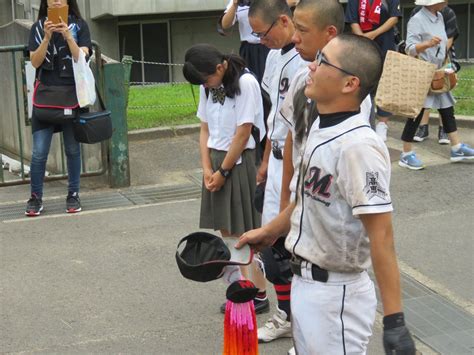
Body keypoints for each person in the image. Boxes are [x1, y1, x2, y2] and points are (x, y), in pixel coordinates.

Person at [236, 33, 417, 354]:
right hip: (305, 286)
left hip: (337, 293)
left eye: (323, 62)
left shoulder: (359, 146)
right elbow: (304, 200)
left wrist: (395, 321)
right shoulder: (320, 127)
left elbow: (382, 235)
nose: (312, 67)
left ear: (350, 84)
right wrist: (270, 231)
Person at [245, 0, 308, 344]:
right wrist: (266, 159)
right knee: (272, 242)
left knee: (292, 241)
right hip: (278, 155)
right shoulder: (272, 55)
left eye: (262, 33)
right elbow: (275, 116)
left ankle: (300, 320)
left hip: (298, 160)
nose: (259, 40)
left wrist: (286, 180)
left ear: (283, 20)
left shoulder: (306, 61)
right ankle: (285, 314)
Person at [182, 43, 265, 295]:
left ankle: (255, 291)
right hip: (217, 161)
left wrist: (223, 172)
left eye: (207, 80)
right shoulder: (207, 86)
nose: (205, 86)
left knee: (244, 231)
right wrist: (207, 168)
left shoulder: (246, 82)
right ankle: (241, 287)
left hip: (238, 162)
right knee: (226, 229)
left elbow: (243, 133)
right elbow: (204, 128)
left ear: (220, 67)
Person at [25, 0, 92, 216]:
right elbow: (34, 62)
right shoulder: (38, 27)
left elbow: (81, 57)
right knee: (38, 153)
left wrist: (68, 36)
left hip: (71, 96)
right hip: (45, 98)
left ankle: (73, 194)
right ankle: (35, 197)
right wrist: (46, 37)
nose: (56, 1)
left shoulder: (79, 25)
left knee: (72, 150)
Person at [399, 0, 474, 170]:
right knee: (416, 114)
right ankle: (405, 153)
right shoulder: (416, 20)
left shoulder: (439, 16)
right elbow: (409, 48)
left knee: (447, 109)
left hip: (439, 72)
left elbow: (444, 44)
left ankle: (456, 147)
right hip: (424, 72)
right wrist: (427, 44)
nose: (446, 2)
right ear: (433, 3)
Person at [345, 0, 401, 141]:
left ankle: (383, 123)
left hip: (384, 43)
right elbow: (352, 20)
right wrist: (363, 38)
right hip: (362, 46)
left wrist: (374, 34)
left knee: (385, 85)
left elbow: (394, 17)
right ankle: (364, 121)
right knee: (363, 83)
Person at [412, 4, 459, 144]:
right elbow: (414, 40)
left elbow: (449, 38)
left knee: (443, 88)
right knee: (425, 93)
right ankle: (423, 127)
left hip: (444, 57)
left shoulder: (448, 12)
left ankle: (444, 129)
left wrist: (439, 58)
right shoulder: (416, 13)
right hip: (423, 58)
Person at [219, 0, 271, 84]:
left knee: (268, 82)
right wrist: (235, 5)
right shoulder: (239, 3)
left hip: (269, 46)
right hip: (248, 49)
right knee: (248, 80)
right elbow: (225, 24)